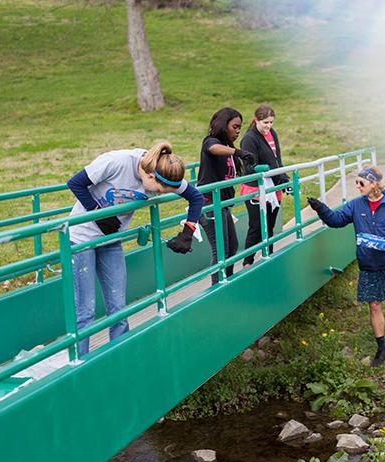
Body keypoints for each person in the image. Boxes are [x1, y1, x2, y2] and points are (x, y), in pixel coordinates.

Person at [66, 141, 204, 356]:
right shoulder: (116, 162)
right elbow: (75, 183)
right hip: (82, 239)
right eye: (158, 191)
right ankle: (78, 364)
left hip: (111, 241)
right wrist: (98, 212)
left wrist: (188, 232)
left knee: (119, 307)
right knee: (86, 310)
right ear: (150, 176)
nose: (158, 195)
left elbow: (195, 197)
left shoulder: (163, 171)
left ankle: (122, 356)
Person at [307, 166, 385, 367]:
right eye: (357, 182)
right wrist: (320, 208)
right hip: (368, 265)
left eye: (361, 183)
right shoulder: (355, 206)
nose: (357, 186)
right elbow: (336, 221)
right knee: (374, 304)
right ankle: (382, 348)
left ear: (375, 184)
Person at [197, 107, 257, 284]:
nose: (238, 131)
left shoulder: (228, 147)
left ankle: (227, 282)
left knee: (232, 247)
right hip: (209, 203)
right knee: (221, 251)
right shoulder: (211, 141)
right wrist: (238, 152)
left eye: (240, 127)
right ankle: (218, 288)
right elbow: (213, 148)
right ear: (224, 125)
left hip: (222, 204)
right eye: (235, 127)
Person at [239, 104, 289, 266]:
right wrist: (260, 169)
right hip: (256, 188)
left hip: (273, 186)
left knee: (270, 225)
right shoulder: (249, 138)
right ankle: (248, 261)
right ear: (256, 120)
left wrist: (285, 179)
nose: (268, 126)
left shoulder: (271, 133)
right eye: (265, 123)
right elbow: (248, 166)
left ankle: (269, 257)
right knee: (257, 226)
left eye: (271, 122)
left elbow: (277, 160)